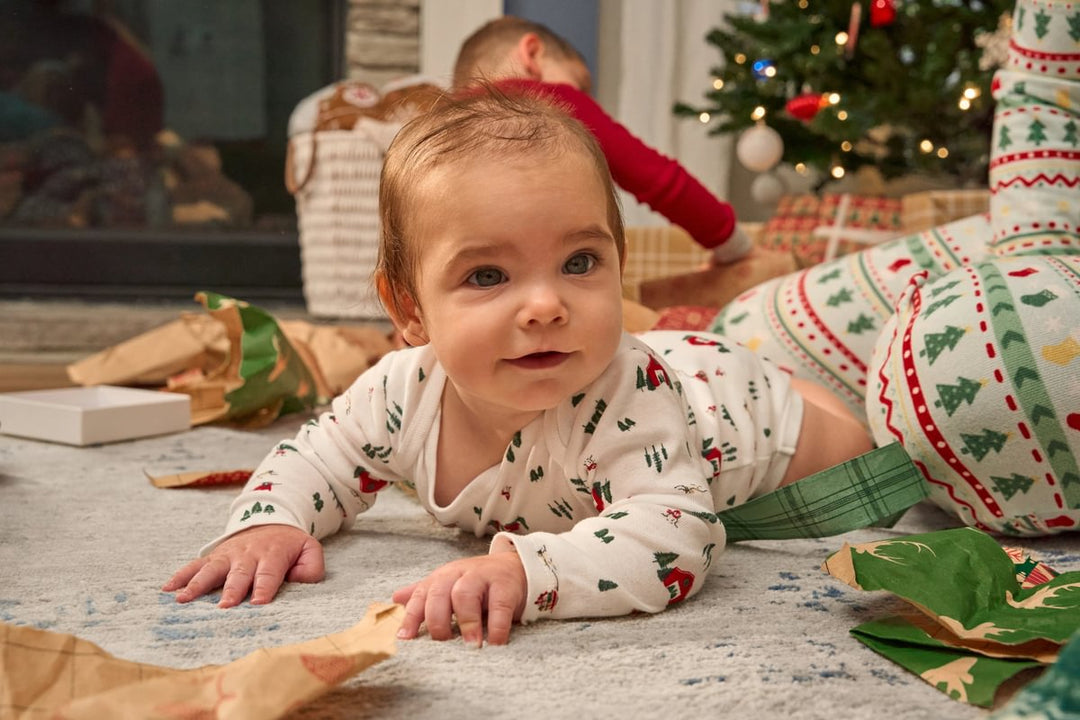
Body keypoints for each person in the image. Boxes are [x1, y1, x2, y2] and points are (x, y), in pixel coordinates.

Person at [163, 87, 872, 647]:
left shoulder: (625, 391)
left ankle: (819, 365)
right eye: (487, 275)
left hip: (754, 418)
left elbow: (676, 538)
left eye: (579, 263)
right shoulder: (398, 393)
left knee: (867, 446)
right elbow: (314, 458)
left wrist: (532, 570)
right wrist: (268, 521)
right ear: (409, 309)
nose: (545, 306)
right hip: (691, 370)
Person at [452, 16, 753, 265]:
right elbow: (659, 180)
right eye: (580, 84)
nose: (582, 97)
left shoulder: (439, 125)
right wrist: (733, 245)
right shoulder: (552, 100)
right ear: (532, 54)